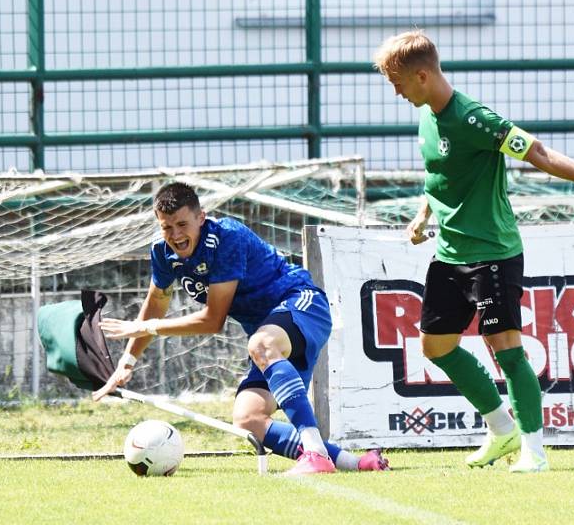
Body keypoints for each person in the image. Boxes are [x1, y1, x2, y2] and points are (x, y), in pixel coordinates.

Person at [373, 30, 574, 472]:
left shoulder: (474, 117)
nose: (395, 92)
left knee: (506, 349)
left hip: (492, 253)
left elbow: (538, 151)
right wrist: (423, 216)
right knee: (435, 347)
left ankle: (534, 449)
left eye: (397, 82)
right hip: (449, 252)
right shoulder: (426, 116)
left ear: (421, 75)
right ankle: (501, 430)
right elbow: (440, 175)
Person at [92, 181, 389, 475]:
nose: (176, 235)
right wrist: (127, 362)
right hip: (270, 332)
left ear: (201, 218)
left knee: (260, 345)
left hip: (302, 304)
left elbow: (212, 321)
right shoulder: (162, 252)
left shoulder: (226, 238)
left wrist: (149, 326)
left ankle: (315, 454)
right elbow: (156, 301)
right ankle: (358, 463)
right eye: (167, 227)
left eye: (182, 224)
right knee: (248, 420)